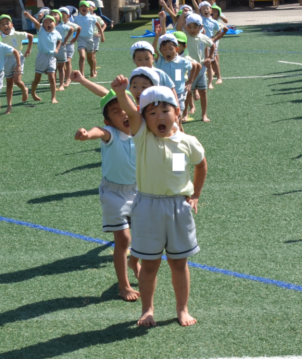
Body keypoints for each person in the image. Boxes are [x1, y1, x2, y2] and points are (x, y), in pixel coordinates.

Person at [112, 80, 207, 327]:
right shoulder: (143, 137)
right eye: (152, 113)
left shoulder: (188, 142)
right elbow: (132, 111)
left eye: (166, 110)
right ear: (144, 119)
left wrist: (195, 194)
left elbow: (200, 164)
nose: (159, 117)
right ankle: (147, 310)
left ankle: (182, 309)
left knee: (179, 263)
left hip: (178, 208)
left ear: (177, 112)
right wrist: (122, 93)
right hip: (148, 207)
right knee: (150, 264)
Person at [75, 89, 141, 300]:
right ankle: (124, 286)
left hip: (139, 191)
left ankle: (134, 261)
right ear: (108, 121)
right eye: (115, 111)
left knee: (140, 236)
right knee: (123, 239)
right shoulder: (111, 134)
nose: (122, 113)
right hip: (114, 194)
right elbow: (98, 132)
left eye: (124, 108)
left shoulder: (141, 133)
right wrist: (87, 135)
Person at [153, 25, 198, 121]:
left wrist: (190, 82)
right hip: (163, 94)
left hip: (178, 93)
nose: (167, 52)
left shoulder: (182, 61)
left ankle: (179, 130)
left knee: (178, 114)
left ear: (176, 49)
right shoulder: (160, 61)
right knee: (165, 114)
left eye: (170, 49)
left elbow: (194, 66)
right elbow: (153, 50)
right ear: (160, 51)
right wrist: (157, 36)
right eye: (164, 50)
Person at [182, 13, 217, 122]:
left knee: (203, 92)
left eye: (195, 27)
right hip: (188, 68)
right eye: (189, 27)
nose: (192, 30)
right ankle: (185, 114)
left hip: (201, 69)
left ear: (201, 27)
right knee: (187, 92)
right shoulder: (185, 36)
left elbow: (213, 45)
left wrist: (210, 57)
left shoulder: (203, 37)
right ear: (186, 27)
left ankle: (204, 115)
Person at [24, 11, 63, 104]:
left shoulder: (56, 33)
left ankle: (53, 97)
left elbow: (59, 40)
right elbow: (36, 23)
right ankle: (33, 92)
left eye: (51, 22)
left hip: (52, 57)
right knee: (37, 79)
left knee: (52, 77)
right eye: (46, 22)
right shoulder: (41, 30)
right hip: (41, 57)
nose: (48, 24)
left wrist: (57, 48)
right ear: (43, 24)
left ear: (55, 24)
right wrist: (29, 16)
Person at [0, 14, 32, 109]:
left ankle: (24, 89)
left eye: (7, 23)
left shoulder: (17, 34)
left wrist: (28, 49)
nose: (5, 26)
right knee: (9, 83)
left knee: (17, 80)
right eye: (2, 24)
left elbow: (31, 36)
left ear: (12, 25)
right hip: (6, 59)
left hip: (18, 58)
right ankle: (9, 106)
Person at [75, 0, 105, 78]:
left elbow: (99, 26)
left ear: (89, 9)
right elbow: (73, 27)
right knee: (82, 56)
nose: (83, 8)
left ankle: (92, 70)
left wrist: (102, 35)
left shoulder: (92, 17)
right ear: (79, 9)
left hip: (90, 39)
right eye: (81, 6)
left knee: (90, 58)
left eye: (85, 6)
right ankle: (81, 74)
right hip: (81, 39)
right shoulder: (76, 18)